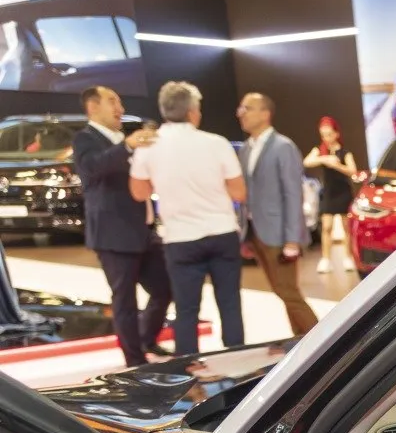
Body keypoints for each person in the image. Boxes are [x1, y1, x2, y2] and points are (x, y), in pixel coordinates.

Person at [129, 81, 245, 356]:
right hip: (222, 231)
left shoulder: (148, 146)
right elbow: (239, 192)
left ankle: (188, 366)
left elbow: (138, 192)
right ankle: (238, 361)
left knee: (186, 308)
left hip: (180, 238)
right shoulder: (216, 143)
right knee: (229, 302)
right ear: (193, 112)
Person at [72, 85, 172, 367]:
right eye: (112, 102)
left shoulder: (123, 139)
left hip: (144, 230)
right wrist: (128, 146)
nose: (121, 109)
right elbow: (92, 167)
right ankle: (135, 360)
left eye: (120, 102)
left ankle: (146, 338)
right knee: (125, 300)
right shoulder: (85, 138)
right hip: (113, 235)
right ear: (93, 107)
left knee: (165, 287)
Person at [236, 93, 317, 336]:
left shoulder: (283, 146)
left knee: (288, 292)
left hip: (280, 233)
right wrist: (244, 234)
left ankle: (324, 341)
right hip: (255, 231)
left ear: (265, 113)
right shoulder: (246, 149)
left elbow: (293, 194)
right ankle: (300, 340)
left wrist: (293, 239)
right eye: (241, 108)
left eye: (248, 108)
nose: (241, 113)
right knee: (282, 292)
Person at [303, 115, 357, 273]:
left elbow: (352, 171)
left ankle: (348, 257)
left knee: (346, 227)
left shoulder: (345, 152)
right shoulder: (320, 150)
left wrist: (337, 165)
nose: (326, 138)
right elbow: (307, 162)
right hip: (328, 193)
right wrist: (324, 159)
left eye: (329, 134)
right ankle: (326, 259)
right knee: (327, 226)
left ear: (336, 134)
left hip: (343, 192)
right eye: (323, 135)